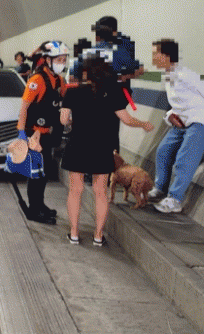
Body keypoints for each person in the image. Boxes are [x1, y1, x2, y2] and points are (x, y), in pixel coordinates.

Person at [60, 53, 154, 245]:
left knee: (75, 190)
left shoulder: (73, 92)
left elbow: (63, 120)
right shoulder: (113, 92)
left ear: (85, 72)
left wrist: (72, 121)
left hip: (77, 144)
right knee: (101, 192)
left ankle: (74, 233)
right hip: (102, 146)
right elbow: (127, 119)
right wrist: (143, 124)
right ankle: (98, 236)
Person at [69, 16, 144, 153]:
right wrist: (123, 77)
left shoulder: (88, 53)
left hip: (89, 102)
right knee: (111, 134)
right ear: (114, 32)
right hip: (112, 100)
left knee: (88, 134)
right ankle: (111, 161)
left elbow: (73, 77)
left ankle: (88, 162)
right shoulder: (120, 51)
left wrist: (83, 88)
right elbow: (140, 70)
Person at [16, 41, 69, 224]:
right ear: (47, 60)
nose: (62, 63)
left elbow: (65, 100)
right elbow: (24, 108)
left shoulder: (59, 80)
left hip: (46, 133)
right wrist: (21, 134)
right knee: (37, 173)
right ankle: (34, 209)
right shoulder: (36, 80)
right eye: (59, 59)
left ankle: (40, 204)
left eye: (64, 60)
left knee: (45, 172)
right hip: (33, 133)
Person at [148, 39, 204, 214]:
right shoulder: (168, 76)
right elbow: (179, 104)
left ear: (166, 56)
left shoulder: (185, 74)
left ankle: (175, 199)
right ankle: (160, 189)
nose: (153, 57)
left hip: (199, 121)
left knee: (184, 160)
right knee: (163, 151)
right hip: (181, 122)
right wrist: (169, 116)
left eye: (155, 54)